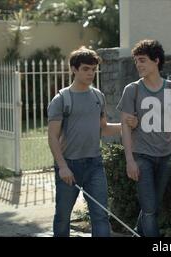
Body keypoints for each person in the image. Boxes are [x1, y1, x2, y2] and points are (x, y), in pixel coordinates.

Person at [47, 46, 137, 237]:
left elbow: (103, 128)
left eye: (93, 69)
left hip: (94, 164)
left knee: (100, 215)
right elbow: (52, 137)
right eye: (86, 69)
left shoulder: (98, 96)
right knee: (63, 216)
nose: (91, 73)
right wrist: (62, 166)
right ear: (74, 69)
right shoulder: (61, 99)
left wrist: (125, 125)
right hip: (69, 165)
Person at [117, 39, 171, 237]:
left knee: (153, 207)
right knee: (149, 209)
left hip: (165, 157)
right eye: (136, 61)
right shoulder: (132, 90)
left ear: (156, 61)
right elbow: (125, 127)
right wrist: (129, 160)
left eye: (142, 60)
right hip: (142, 157)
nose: (138, 64)